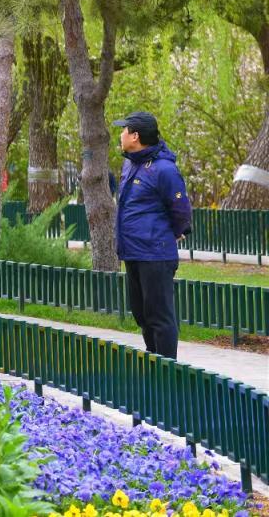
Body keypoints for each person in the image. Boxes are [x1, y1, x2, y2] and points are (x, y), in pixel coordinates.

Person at [113, 111, 191, 360]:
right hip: (133, 251)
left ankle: (167, 370)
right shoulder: (130, 164)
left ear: (135, 136)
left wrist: (176, 232)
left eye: (124, 130)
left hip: (155, 254)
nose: (120, 134)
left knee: (159, 315)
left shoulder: (164, 169)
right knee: (142, 313)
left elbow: (180, 208)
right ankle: (153, 360)